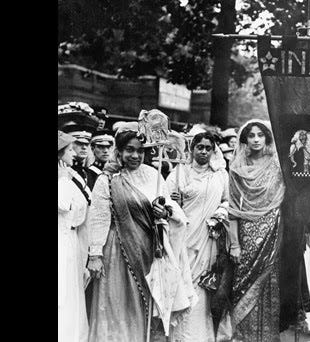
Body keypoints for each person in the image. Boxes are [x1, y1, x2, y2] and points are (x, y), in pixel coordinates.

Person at [86, 128, 196, 341]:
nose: (135, 156)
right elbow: (98, 217)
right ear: (118, 151)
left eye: (140, 151)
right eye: (129, 150)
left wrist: (165, 212)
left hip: (147, 250)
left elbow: (171, 208)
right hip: (117, 251)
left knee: (143, 302)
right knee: (116, 303)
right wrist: (95, 255)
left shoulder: (153, 176)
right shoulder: (107, 179)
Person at [166, 132, 230, 342]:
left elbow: (228, 201)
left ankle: (201, 336)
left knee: (203, 285)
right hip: (184, 235)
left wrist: (219, 215)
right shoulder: (179, 173)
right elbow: (164, 203)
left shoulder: (220, 174)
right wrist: (174, 201)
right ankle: (179, 335)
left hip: (209, 236)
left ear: (213, 151)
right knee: (183, 282)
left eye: (208, 148)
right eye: (199, 147)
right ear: (192, 149)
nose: (203, 151)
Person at [227, 119, 285, 342]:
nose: (256, 140)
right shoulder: (237, 169)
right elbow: (232, 209)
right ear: (245, 140)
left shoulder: (277, 166)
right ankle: (242, 336)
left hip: (272, 229)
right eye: (251, 136)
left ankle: (267, 336)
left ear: (267, 138)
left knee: (269, 282)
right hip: (246, 231)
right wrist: (235, 244)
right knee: (243, 282)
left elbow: (288, 197)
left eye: (260, 135)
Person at [58, 131, 89, 342]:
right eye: (69, 150)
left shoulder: (69, 175)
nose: (73, 153)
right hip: (62, 241)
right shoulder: (63, 179)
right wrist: (63, 180)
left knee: (71, 292)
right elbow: (63, 205)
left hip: (71, 240)